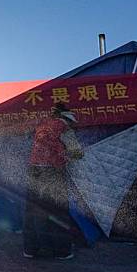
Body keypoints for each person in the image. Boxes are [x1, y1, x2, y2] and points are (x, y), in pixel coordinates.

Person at [24, 103, 83, 260]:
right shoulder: (65, 128)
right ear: (67, 118)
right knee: (58, 211)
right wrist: (77, 155)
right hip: (53, 172)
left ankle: (30, 249)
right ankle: (62, 251)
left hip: (34, 171)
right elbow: (76, 152)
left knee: (34, 210)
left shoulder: (41, 127)